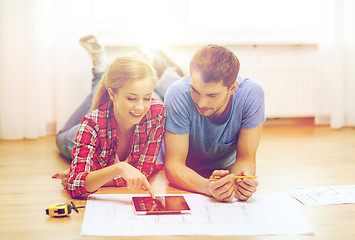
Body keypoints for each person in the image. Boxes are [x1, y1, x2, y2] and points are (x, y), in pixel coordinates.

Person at [55, 35, 166, 199]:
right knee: (60, 138)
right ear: (112, 95)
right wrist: (119, 168)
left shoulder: (156, 112)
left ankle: (117, 66)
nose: (141, 107)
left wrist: (94, 178)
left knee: (127, 94)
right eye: (131, 98)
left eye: (147, 98)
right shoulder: (91, 124)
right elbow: (75, 185)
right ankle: (100, 68)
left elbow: (143, 171)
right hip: (76, 136)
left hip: (111, 116)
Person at [163, 44, 265, 202]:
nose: (201, 103)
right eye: (195, 90)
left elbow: (246, 158)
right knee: (163, 88)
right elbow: (174, 166)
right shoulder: (177, 93)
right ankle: (164, 69)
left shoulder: (252, 95)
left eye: (212, 95)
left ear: (232, 88)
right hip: (188, 167)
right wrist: (207, 187)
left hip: (224, 168)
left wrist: (240, 182)